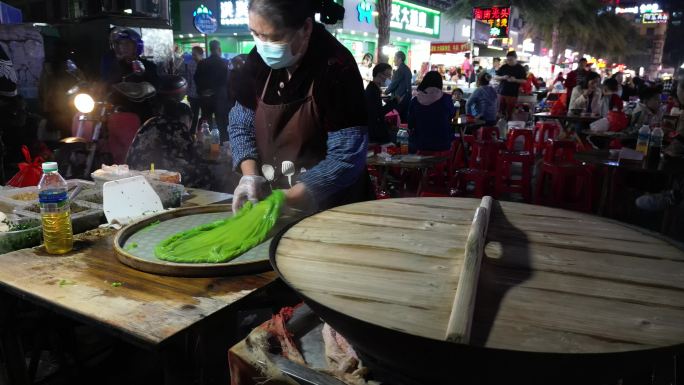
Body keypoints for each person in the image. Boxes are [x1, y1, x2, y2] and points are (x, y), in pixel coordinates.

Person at [228, 0, 372, 213]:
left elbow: (346, 155)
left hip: (333, 207)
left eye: (275, 37)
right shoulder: (257, 62)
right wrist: (250, 176)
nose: (262, 45)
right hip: (278, 201)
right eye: (255, 34)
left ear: (306, 28)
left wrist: (290, 197)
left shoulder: (335, 68)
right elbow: (241, 122)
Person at [126, 75, 211, 189]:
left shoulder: (150, 122)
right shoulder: (177, 127)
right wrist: (200, 141)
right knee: (205, 172)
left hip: (134, 173)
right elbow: (195, 156)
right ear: (185, 118)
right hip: (154, 177)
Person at [407, 71, 455, 153]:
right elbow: (451, 116)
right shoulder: (447, 99)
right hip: (443, 143)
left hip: (421, 144)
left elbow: (410, 124)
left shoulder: (415, 101)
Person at [195, 40, 231, 142]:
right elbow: (228, 81)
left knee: (207, 124)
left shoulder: (202, 63)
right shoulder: (225, 62)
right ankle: (223, 146)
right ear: (219, 49)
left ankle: (208, 146)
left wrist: (203, 91)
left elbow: (197, 79)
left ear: (210, 49)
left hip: (206, 98)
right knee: (222, 124)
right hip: (220, 98)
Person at [365, 63, 399, 144]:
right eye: (388, 75)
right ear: (379, 75)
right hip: (375, 134)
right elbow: (379, 113)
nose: (389, 78)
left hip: (375, 130)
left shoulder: (373, 89)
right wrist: (394, 102)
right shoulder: (372, 90)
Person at [494, 51, 526, 120]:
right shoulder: (504, 67)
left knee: (510, 114)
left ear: (516, 58)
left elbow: (524, 81)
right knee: (499, 112)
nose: (509, 61)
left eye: (511, 60)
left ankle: (508, 127)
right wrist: (503, 77)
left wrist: (515, 80)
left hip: (512, 94)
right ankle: (498, 127)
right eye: (507, 60)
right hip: (501, 93)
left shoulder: (520, 68)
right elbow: (495, 77)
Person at [385, 50, 412, 122]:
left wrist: (385, 92)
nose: (394, 60)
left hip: (399, 98)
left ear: (399, 59)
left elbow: (393, 84)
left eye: (395, 58)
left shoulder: (400, 70)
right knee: (404, 119)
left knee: (397, 119)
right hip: (407, 97)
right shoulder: (407, 69)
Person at [182, 46, 204, 133]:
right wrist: (187, 93)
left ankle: (200, 131)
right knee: (194, 115)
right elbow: (189, 79)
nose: (193, 56)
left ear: (201, 54)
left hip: (202, 95)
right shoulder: (191, 64)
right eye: (192, 54)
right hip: (194, 94)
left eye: (195, 54)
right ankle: (192, 133)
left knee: (204, 115)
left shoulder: (204, 63)